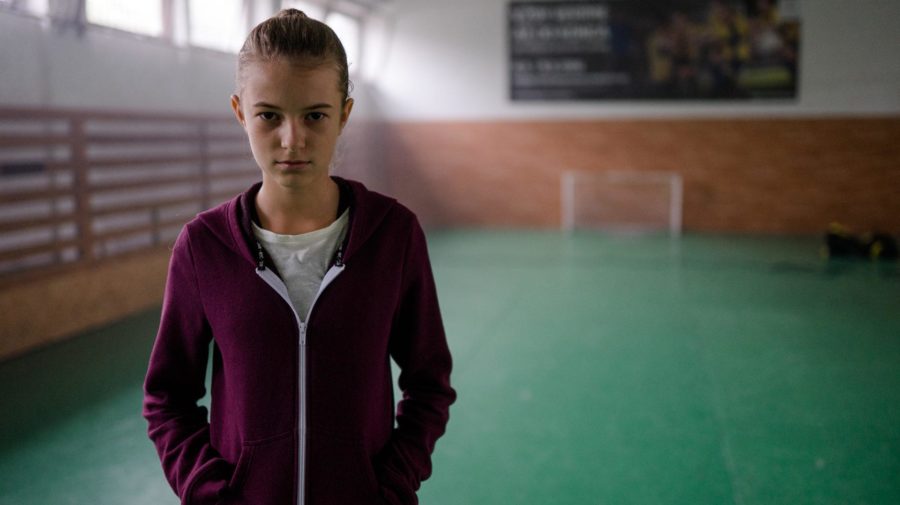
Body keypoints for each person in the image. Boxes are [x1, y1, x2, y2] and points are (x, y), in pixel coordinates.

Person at [142, 9, 456, 505]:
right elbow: (167, 399)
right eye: (269, 115)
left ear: (344, 114)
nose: (293, 140)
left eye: (315, 115)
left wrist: (392, 487)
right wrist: (211, 494)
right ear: (240, 112)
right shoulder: (203, 247)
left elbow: (429, 384)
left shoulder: (394, 236)